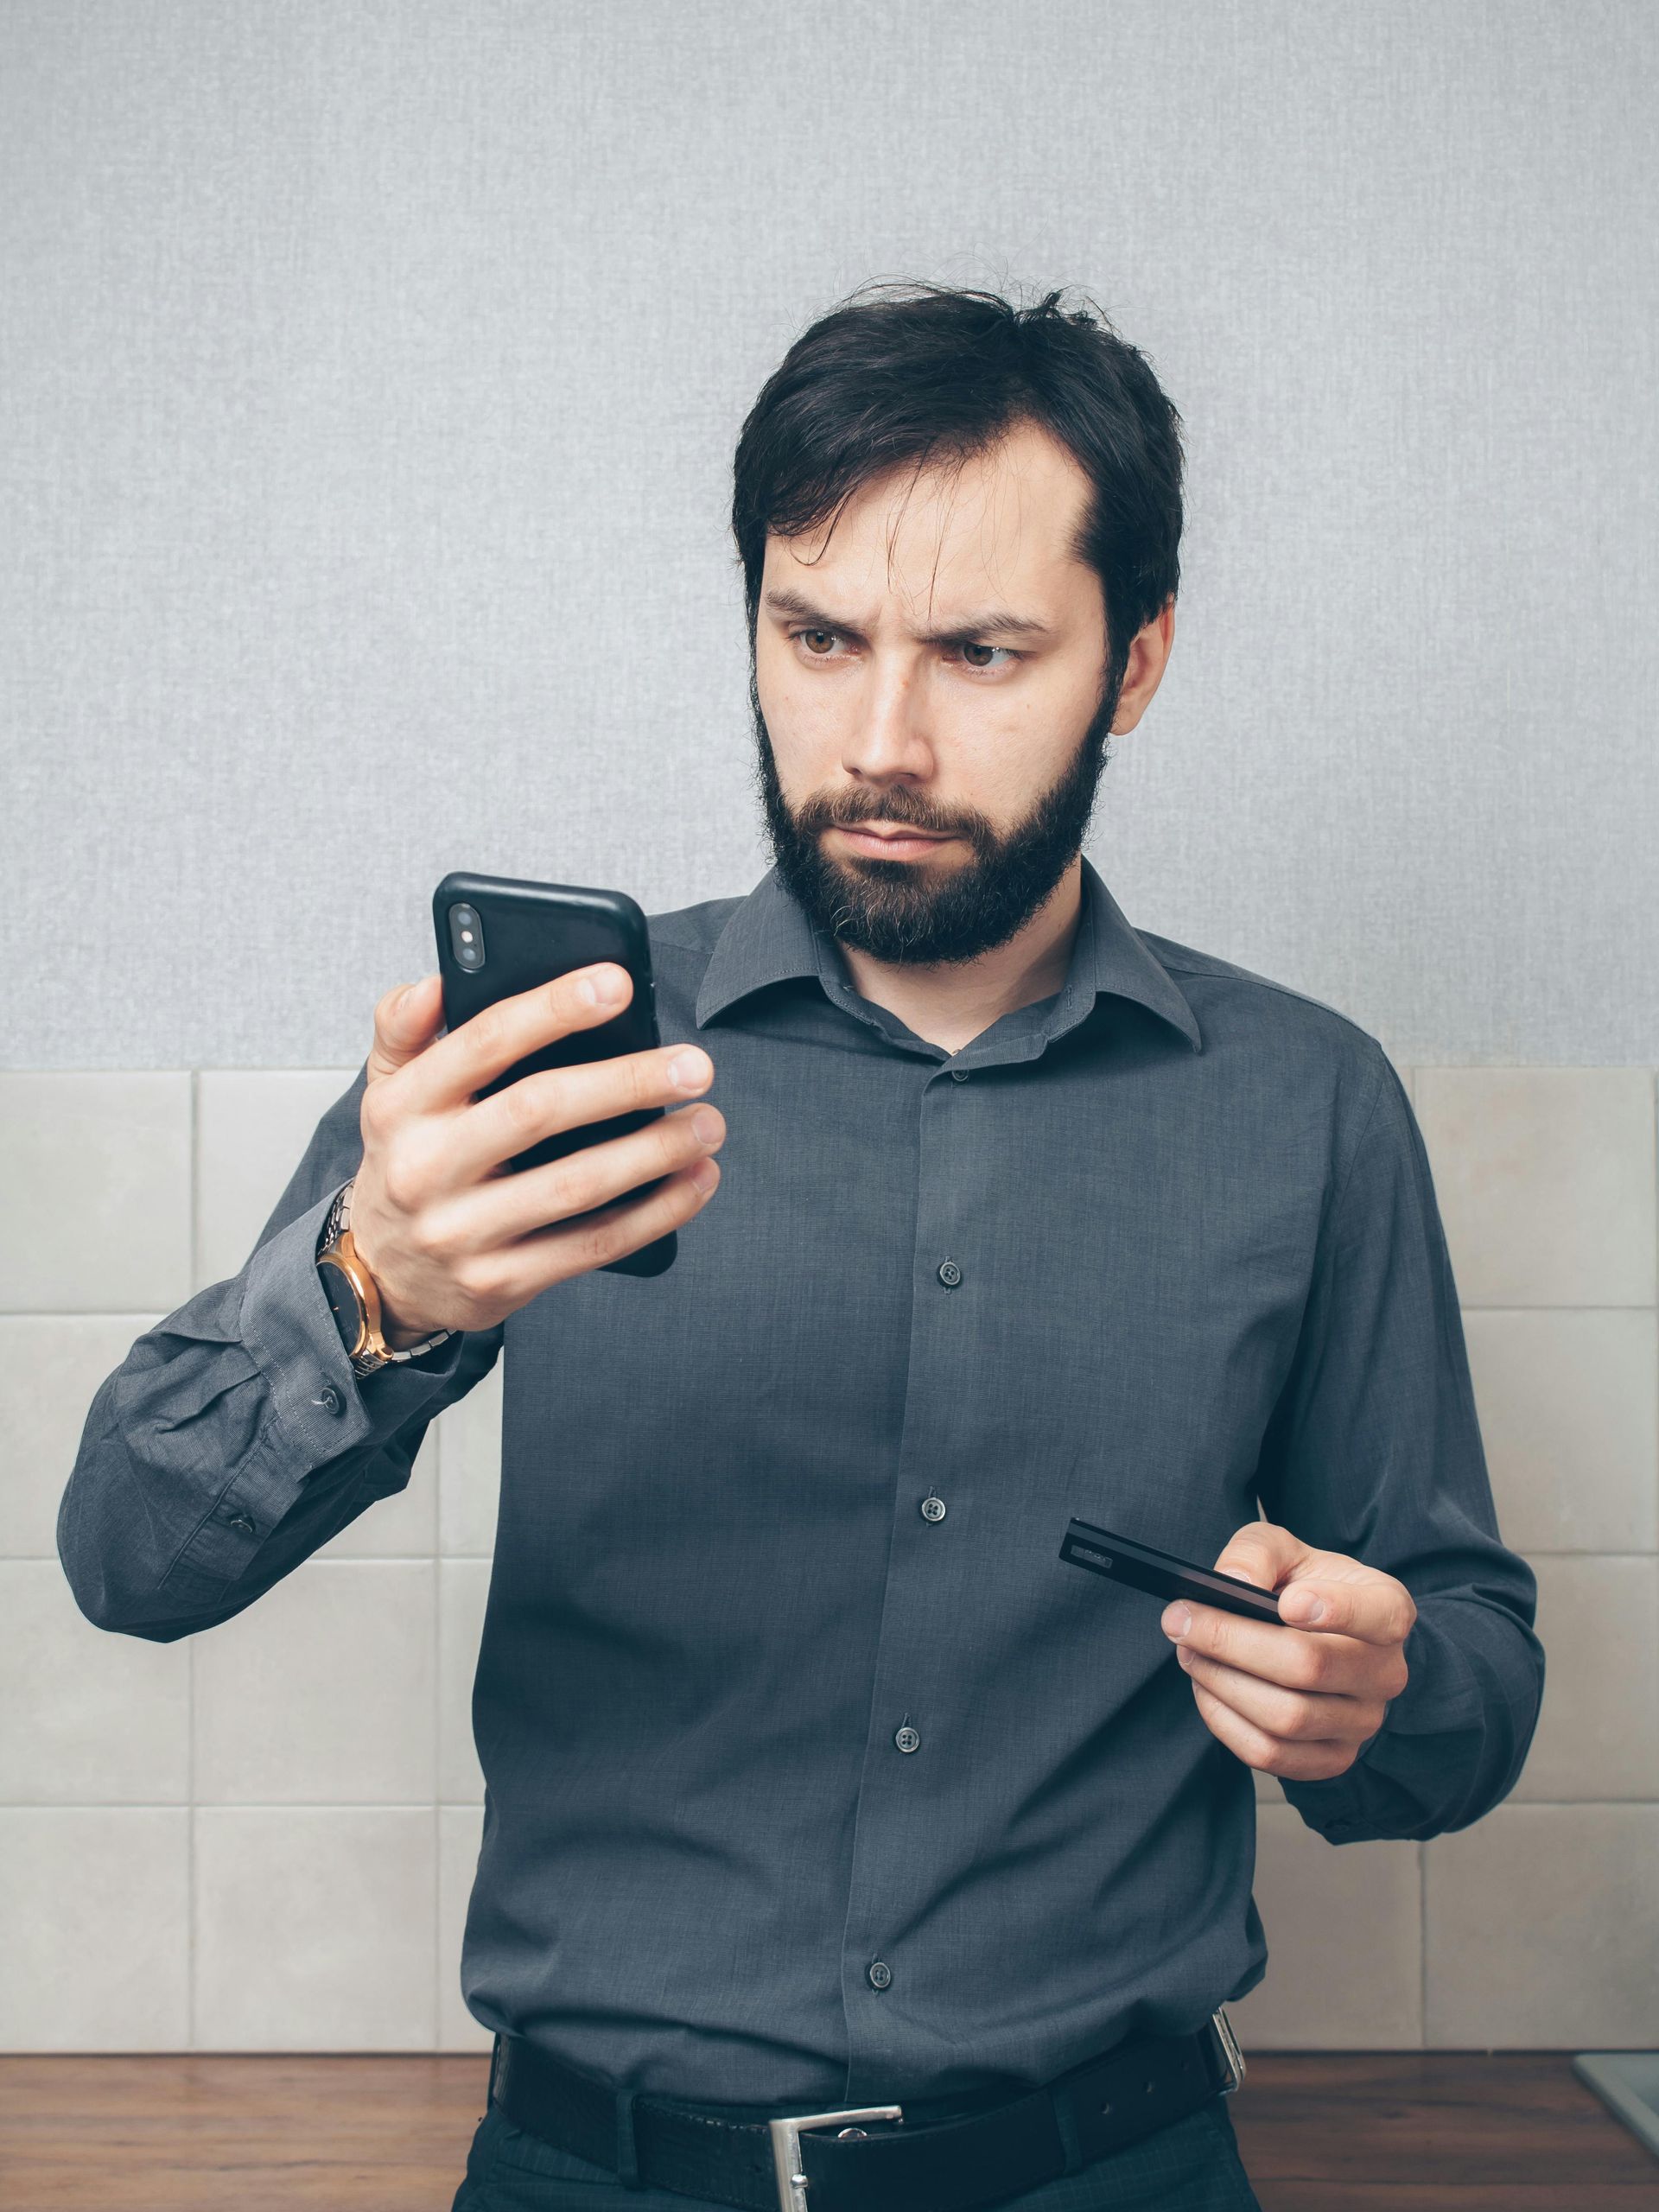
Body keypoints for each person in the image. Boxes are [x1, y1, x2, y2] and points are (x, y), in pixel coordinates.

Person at [59, 281, 1543, 2212]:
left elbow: (1467, 1683)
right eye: (818, 637)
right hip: (593, 2171)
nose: (883, 741)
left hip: (1118, 2166)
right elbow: (131, 1559)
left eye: (982, 652)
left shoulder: (1307, 1102)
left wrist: (1376, 1694)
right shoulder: (546, 1064)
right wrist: (373, 1293)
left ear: (1137, 660)